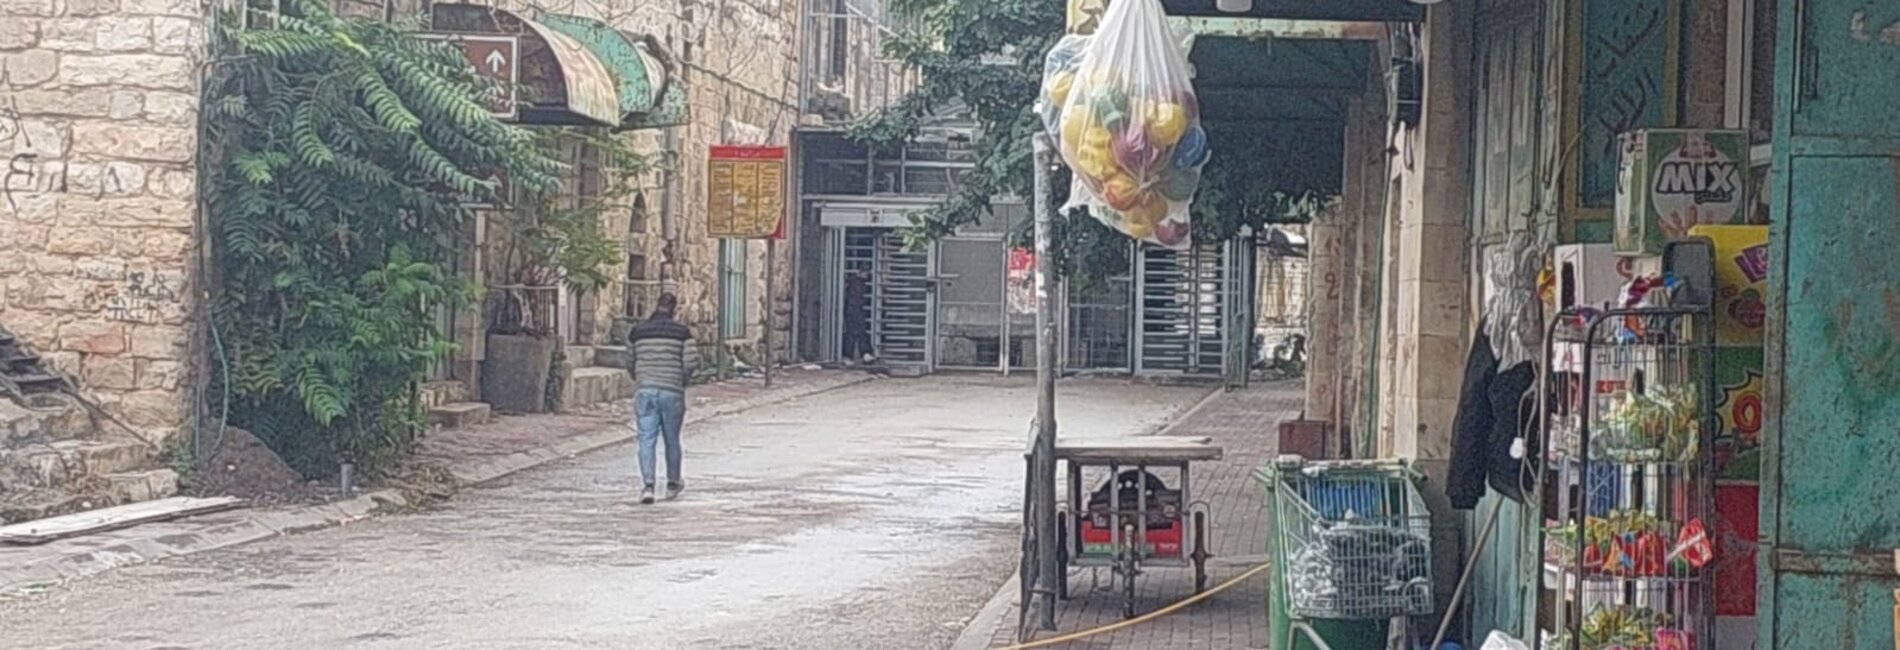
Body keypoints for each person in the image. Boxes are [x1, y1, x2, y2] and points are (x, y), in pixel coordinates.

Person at [625, 292, 697, 504]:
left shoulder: (637, 332)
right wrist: (681, 380)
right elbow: (690, 362)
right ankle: (673, 483)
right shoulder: (683, 333)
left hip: (645, 390)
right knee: (671, 439)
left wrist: (639, 378)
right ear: (674, 309)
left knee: (646, 439)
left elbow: (630, 360)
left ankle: (648, 486)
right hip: (671, 391)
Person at [842, 267, 875, 365]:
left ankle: (858, 355)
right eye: (866, 272)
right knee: (855, 333)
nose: (868, 274)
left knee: (856, 333)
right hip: (855, 311)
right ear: (859, 272)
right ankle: (861, 354)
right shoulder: (856, 284)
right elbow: (855, 300)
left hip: (855, 311)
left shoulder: (854, 282)